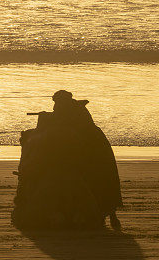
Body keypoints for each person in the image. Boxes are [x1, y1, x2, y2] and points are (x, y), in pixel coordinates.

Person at [12, 90, 123, 230]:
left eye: (56, 104)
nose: (54, 107)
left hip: (91, 149)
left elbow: (63, 124)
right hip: (90, 145)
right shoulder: (74, 110)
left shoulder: (74, 113)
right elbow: (60, 121)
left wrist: (47, 118)